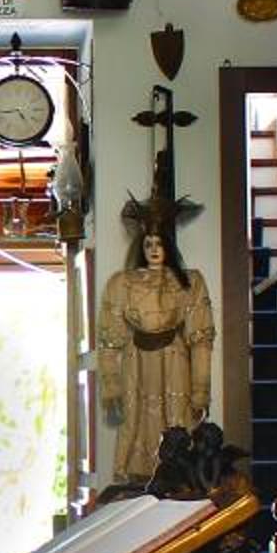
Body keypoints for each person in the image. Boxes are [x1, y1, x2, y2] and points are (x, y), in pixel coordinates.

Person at [96, 205, 216, 487]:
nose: (153, 249)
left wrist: (200, 391)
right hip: (136, 363)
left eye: (159, 243)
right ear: (141, 246)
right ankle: (141, 479)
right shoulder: (121, 284)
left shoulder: (190, 282)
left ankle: (177, 477)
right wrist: (111, 385)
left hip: (175, 361)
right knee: (137, 422)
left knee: (176, 421)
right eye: (148, 243)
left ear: (169, 246)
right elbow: (109, 341)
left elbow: (201, 341)